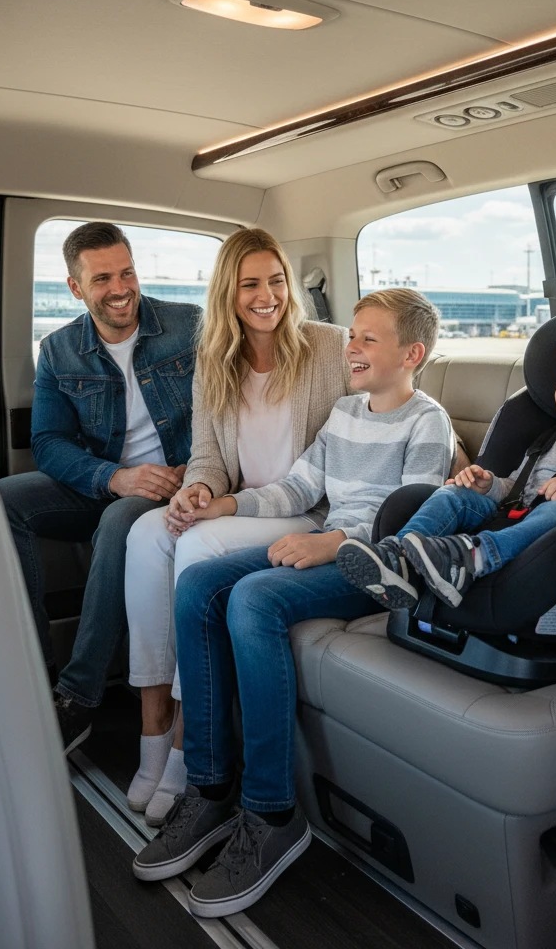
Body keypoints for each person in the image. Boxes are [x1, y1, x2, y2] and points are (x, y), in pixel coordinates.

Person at [130, 288, 453, 917]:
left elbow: (419, 521)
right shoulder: (343, 411)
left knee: (252, 601)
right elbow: (300, 485)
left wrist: (334, 543)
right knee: (198, 585)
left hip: (376, 564)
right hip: (329, 542)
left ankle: (272, 813)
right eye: (352, 334)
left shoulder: (426, 421)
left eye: (367, 338)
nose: (350, 347)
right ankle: (211, 784)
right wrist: (224, 504)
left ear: (411, 353)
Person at [122, 227, 351, 823]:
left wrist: (457, 457)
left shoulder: (330, 345)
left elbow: (393, 404)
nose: (266, 295)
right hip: (243, 503)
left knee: (198, 544)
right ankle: (155, 725)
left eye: (276, 281)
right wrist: (198, 489)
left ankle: (187, 742)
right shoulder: (214, 359)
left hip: (306, 510)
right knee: (146, 535)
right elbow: (208, 456)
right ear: (229, 292)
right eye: (250, 284)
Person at [0, 221, 201, 752]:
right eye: (102, 278)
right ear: (75, 287)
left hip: (175, 485)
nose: (120, 288)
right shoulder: (60, 350)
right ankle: (35, 675)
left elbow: (228, 409)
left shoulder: (189, 327)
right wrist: (111, 475)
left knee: (117, 522)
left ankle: (80, 697)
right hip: (102, 483)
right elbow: (47, 442)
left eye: (127, 272)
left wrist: (197, 470)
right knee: (1, 502)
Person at [336, 328, 556, 609]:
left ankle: (475, 557)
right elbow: (516, 489)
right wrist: (488, 485)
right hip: (515, 517)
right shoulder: (551, 438)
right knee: (453, 493)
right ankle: (398, 558)